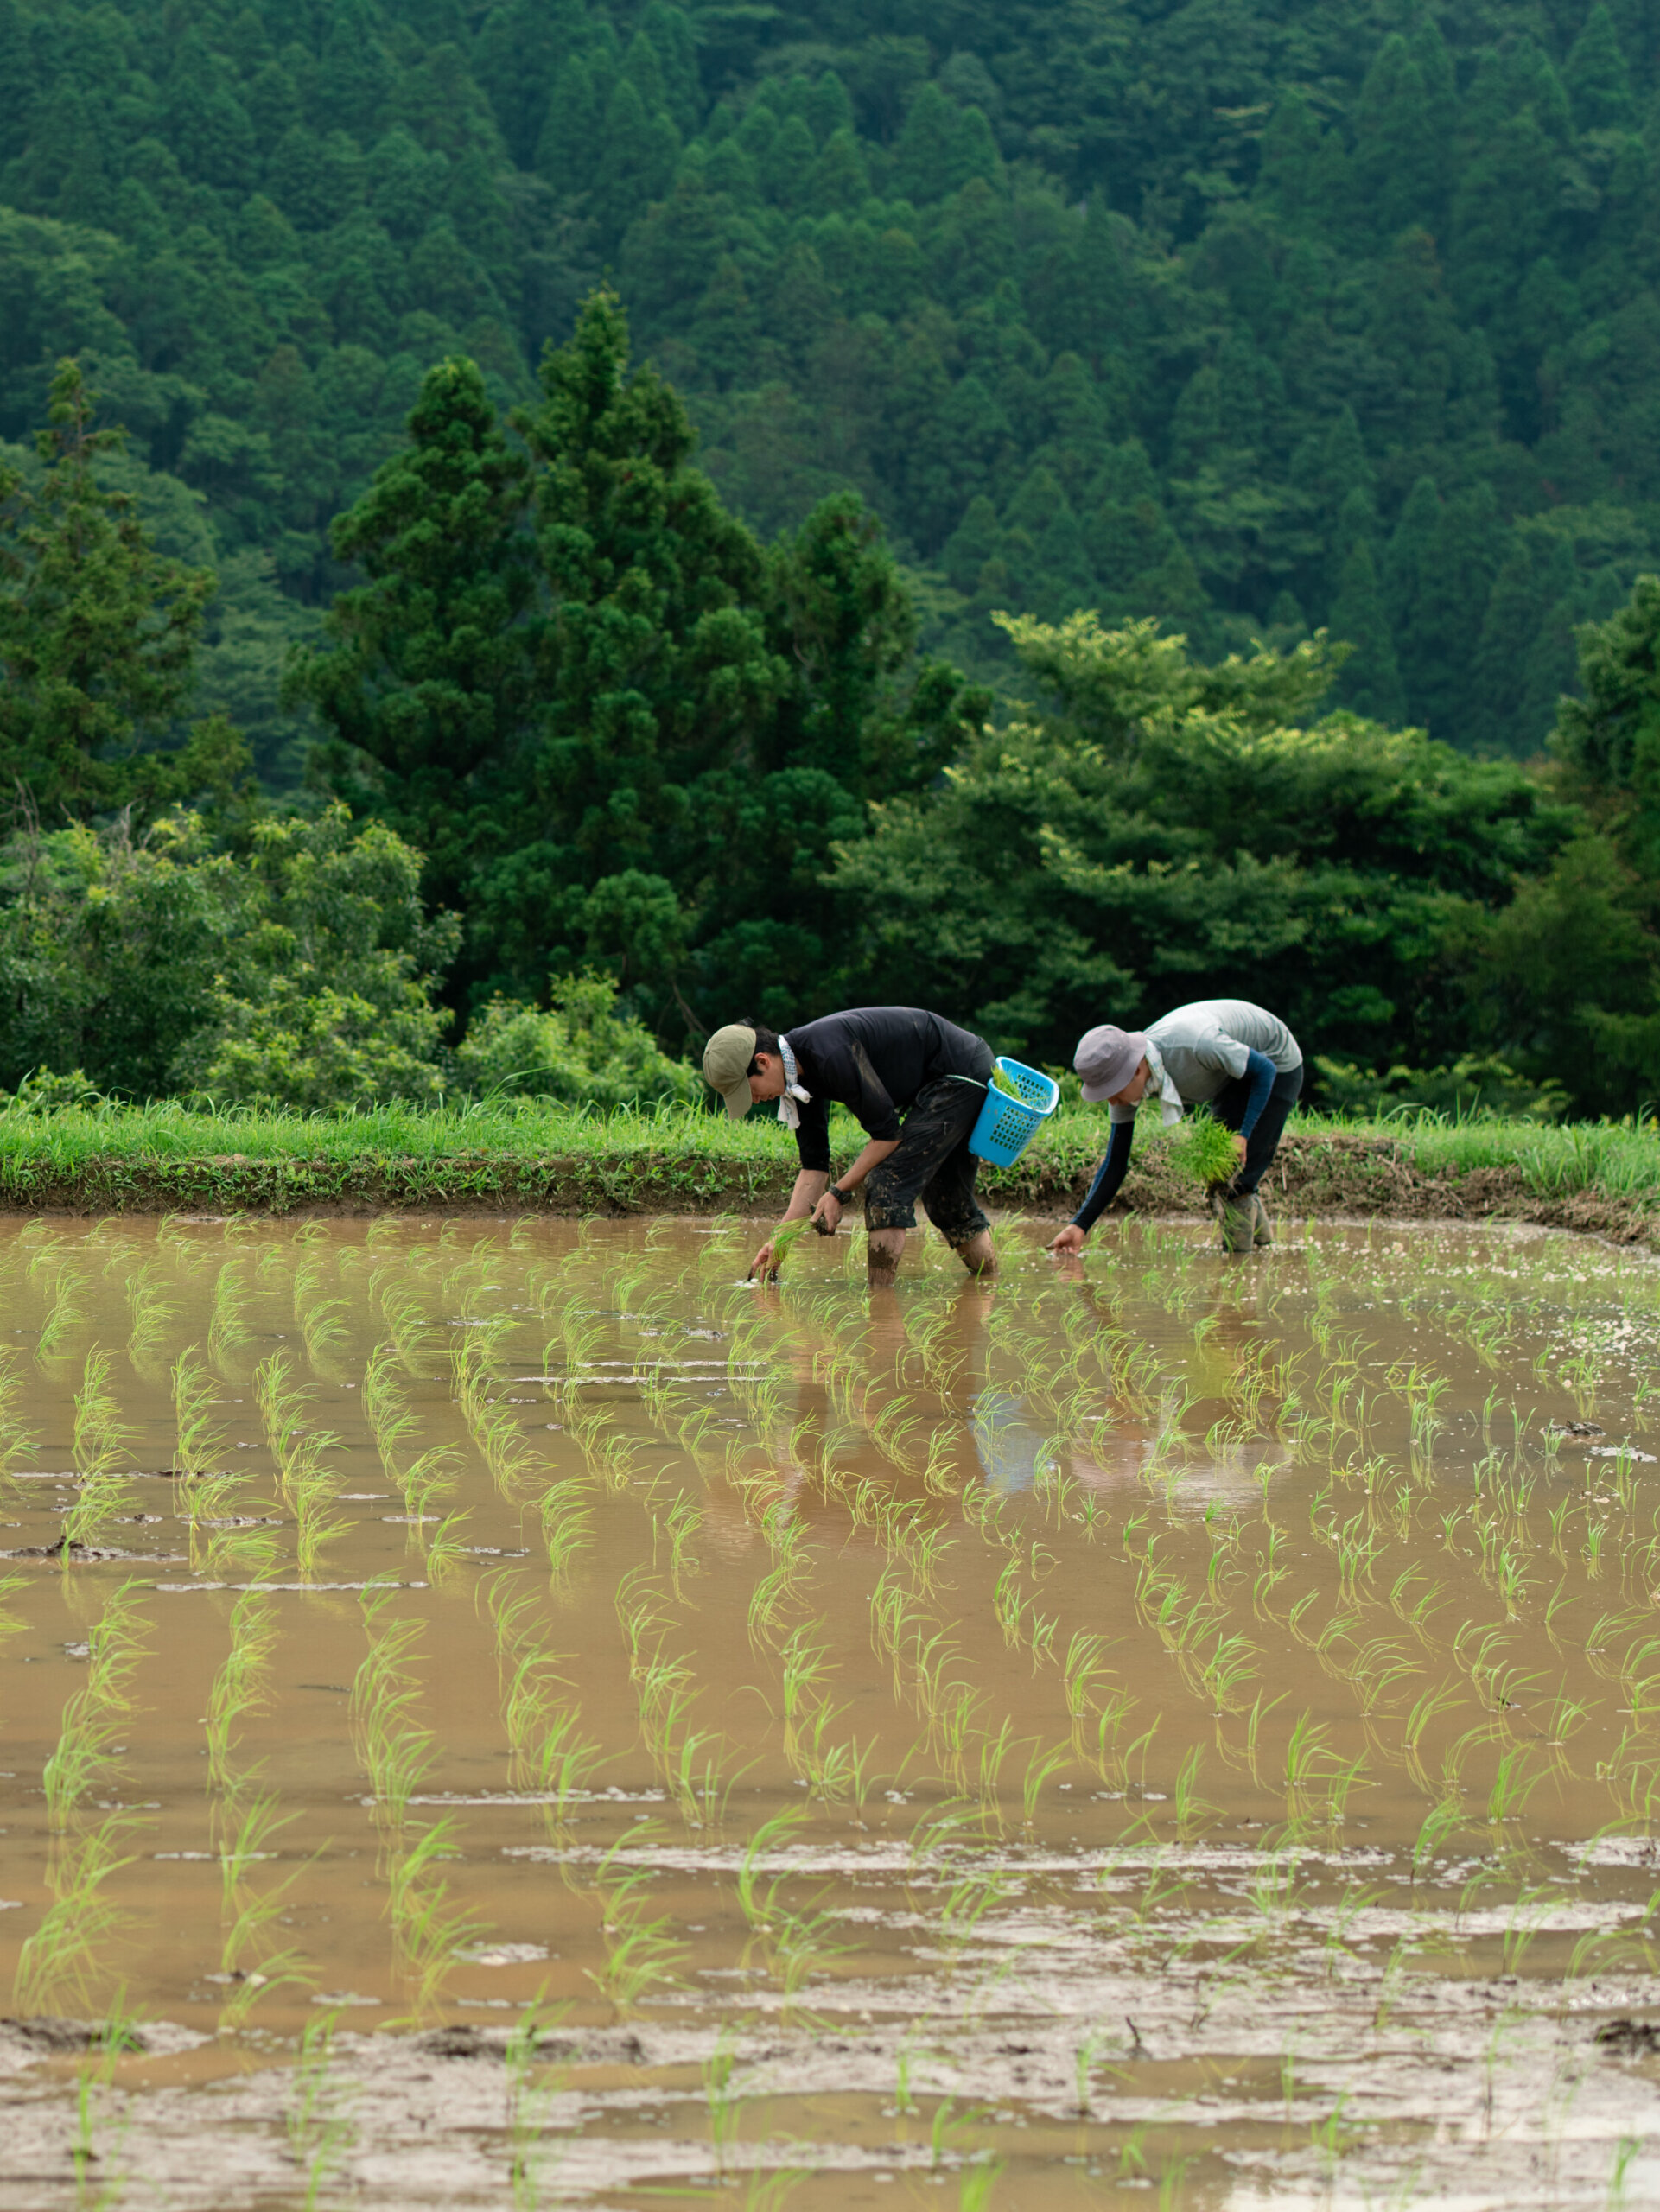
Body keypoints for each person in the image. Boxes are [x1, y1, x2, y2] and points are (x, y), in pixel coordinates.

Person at [702, 1007, 998, 1285]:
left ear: (763, 1061)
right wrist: (780, 1241)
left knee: (886, 1183)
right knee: (946, 1198)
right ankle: (990, 1287)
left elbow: (887, 1136)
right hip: (945, 1080)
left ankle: (880, 1310)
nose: (754, 1100)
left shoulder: (829, 1053)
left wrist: (838, 1192)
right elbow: (814, 1167)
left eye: (751, 1090)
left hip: (959, 1074)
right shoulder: (797, 1082)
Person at [1047, 998, 1303, 1257]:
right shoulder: (1126, 1082)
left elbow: (1265, 1070)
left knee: (1235, 1178)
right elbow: (1116, 1161)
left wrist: (1244, 1134)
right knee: (1223, 1172)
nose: (1112, 1101)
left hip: (1274, 1063)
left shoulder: (1197, 1044)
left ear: (1136, 1070)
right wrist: (1079, 1225)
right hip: (1233, 1072)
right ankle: (1264, 1249)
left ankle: (1243, 1269)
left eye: (1112, 1092)